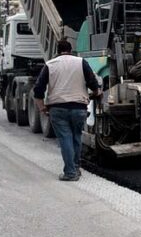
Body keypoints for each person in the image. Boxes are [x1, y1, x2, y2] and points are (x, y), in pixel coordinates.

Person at [33, 39, 101, 181]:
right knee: (76, 137)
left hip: (58, 108)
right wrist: (96, 92)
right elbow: (92, 82)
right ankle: (75, 168)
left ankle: (70, 173)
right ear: (71, 50)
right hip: (79, 107)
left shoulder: (50, 65)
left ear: (57, 51)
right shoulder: (81, 62)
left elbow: (38, 89)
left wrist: (42, 108)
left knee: (65, 138)